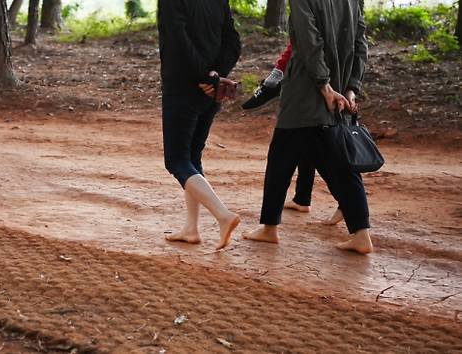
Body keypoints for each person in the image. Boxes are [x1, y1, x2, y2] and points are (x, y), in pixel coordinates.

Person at [244, 0, 373, 254]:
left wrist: (324, 86)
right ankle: (361, 233)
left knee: (280, 158)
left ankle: (269, 228)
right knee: (341, 165)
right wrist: (351, 88)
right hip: (338, 92)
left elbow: (308, 42)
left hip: (306, 93)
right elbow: (361, 43)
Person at [158, 0, 242, 250]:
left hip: (182, 87)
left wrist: (204, 76)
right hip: (210, 92)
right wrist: (215, 76)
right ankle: (191, 228)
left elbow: (177, 40)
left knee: (176, 160)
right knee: (192, 157)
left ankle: (223, 216)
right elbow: (233, 42)